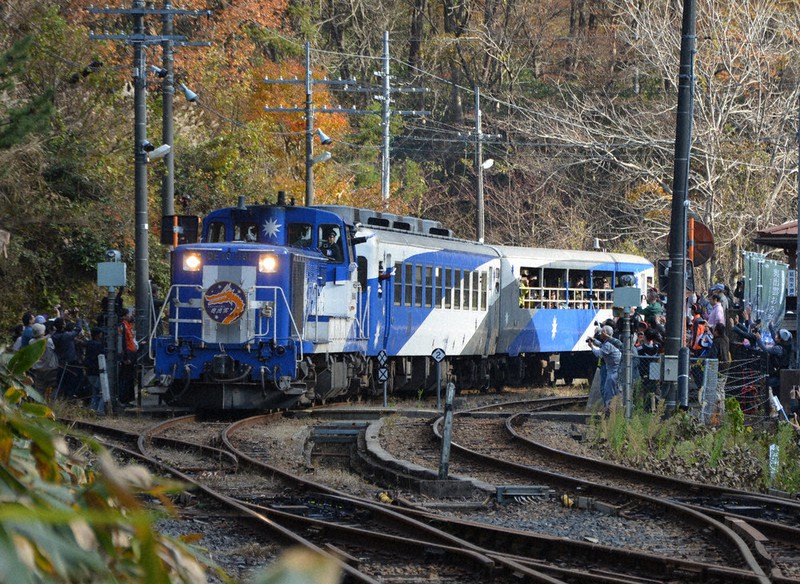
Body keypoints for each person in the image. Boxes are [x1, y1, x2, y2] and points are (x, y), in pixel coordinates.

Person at [587, 325, 622, 409]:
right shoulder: (610, 342)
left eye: (602, 332)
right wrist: (594, 340)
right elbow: (601, 345)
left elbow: (599, 354)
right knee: (614, 390)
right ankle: (615, 408)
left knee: (608, 391)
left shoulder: (608, 345)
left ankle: (608, 409)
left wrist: (591, 347)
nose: (600, 334)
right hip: (615, 370)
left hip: (613, 371)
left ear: (605, 333)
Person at [51, 317, 83, 400]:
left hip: (60, 362)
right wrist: (77, 318)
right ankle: (69, 398)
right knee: (71, 382)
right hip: (70, 362)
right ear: (63, 325)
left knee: (61, 383)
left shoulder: (54, 336)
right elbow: (78, 329)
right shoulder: (67, 336)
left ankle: (60, 399)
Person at [28, 323, 59, 398]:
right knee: (54, 386)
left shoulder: (31, 342)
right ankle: (53, 402)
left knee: (39, 389)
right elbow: (52, 346)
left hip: (38, 369)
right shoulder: (48, 341)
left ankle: (38, 403)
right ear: (42, 332)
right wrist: (53, 332)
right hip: (50, 368)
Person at [119, 308, 137, 406]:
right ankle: (123, 399)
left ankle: (128, 399)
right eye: (129, 314)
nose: (131, 316)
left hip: (131, 353)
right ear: (125, 316)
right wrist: (125, 357)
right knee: (125, 378)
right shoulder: (123, 326)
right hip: (127, 354)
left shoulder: (128, 326)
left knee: (130, 378)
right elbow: (123, 342)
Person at [85, 328, 106, 414]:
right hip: (98, 370)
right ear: (98, 335)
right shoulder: (99, 345)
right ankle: (100, 410)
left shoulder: (89, 344)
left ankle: (92, 408)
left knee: (94, 391)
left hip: (90, 370)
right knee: (102, 391)